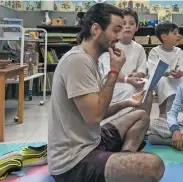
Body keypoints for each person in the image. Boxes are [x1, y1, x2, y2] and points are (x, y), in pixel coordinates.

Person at [48, 4, 164, 182]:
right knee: (154, 166)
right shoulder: (77, 61)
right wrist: (114, 72)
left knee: (141, 115)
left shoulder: (90, 60)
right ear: (96, 29)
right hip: (74, 161)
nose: (119, 36)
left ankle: (124, 158)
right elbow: (95, 116)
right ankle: (122, 165)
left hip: (94, 141)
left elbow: (98, 108)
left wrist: (127, 103)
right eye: (116, 30)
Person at [98, 8, 148, 117]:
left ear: (137, 27)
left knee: (148, 87)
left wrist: (137, 75)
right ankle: (126, 121)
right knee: (130, 89)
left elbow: (142, 69)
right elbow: (110, 70)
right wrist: (127, 79)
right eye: (123, 23)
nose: (127, 26)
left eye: (131, 23)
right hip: (113, 83)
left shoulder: (139, 48)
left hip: (132, 81)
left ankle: (144, 120)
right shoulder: (111, 44)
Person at [147, 21, 183, 117]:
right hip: (160, 79)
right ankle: (163, 113)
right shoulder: (155, 51)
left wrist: (180, 73)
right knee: (164, 81)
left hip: (175, 77)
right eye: (175, 33)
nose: (179, 35)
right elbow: (153, 70)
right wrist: (168, 72)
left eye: (178, 33)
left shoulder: (178, 51)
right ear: (164, 37)